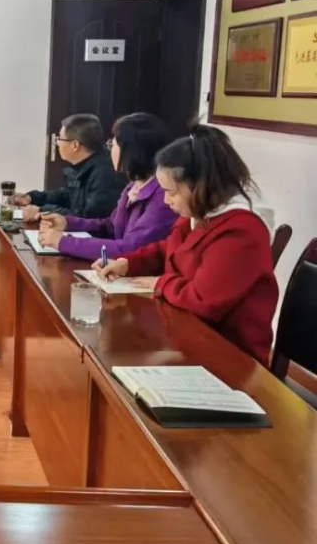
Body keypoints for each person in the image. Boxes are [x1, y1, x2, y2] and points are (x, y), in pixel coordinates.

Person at [96, 124, 277, 364]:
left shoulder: (242, 231)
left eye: (171, 192)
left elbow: (204, 300)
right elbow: (168, 250)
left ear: (200, 186)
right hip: (183, 333)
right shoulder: (195, 216)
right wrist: (127, 263)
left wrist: (161, 283)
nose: (166, 200)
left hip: (228, 354)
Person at [37, 113, 176, 259]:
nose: (110, 150)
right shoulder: (133, 186)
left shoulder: (164, 196)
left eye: (112, 145)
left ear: (131, 151)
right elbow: (110, 226)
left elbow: (130, 249)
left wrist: (63, 242)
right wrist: (67, 223)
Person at [15, 114, 126, 222]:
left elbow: (88, 217)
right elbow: (67, 196)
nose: (57, 143)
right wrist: (32, 198)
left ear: (75, 145)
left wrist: (42, 211)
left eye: (59, 139)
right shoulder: (83, 165)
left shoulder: (104, 173)